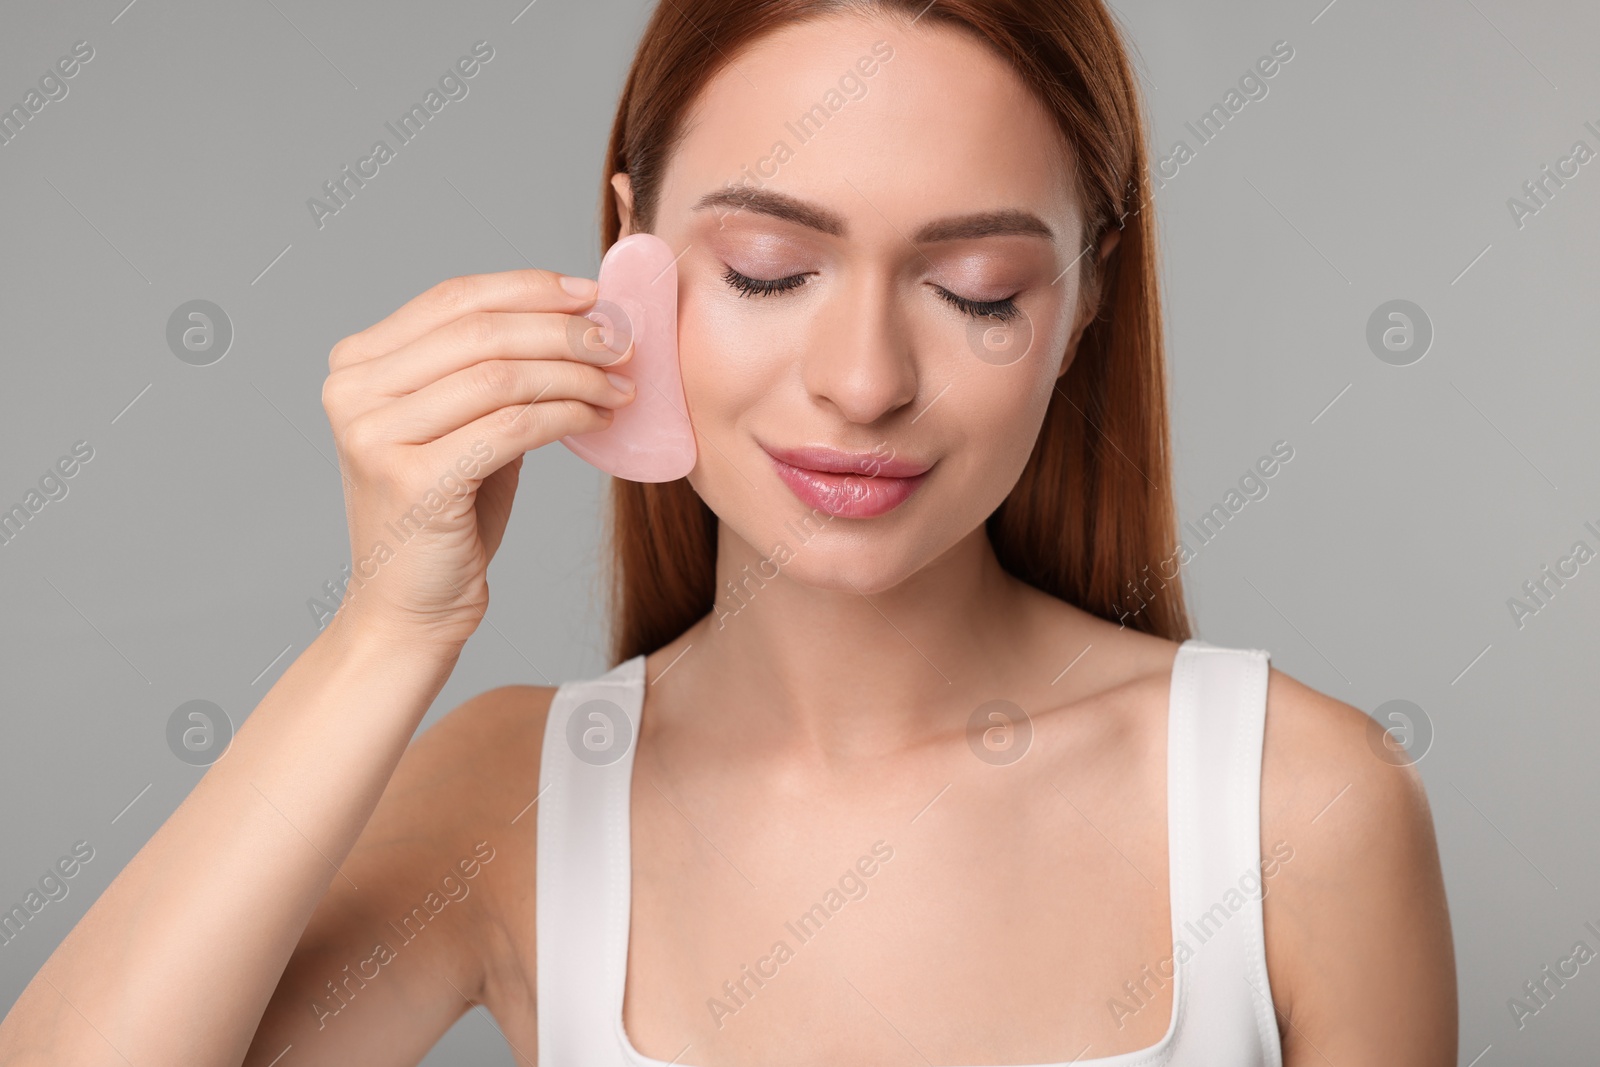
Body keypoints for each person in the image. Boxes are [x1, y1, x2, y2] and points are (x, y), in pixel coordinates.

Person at [0, 1, 1457, 1064]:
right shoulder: (516, 795)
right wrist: (387, 628)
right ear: (627, 254)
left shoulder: (1296, 804)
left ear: (1081, 306)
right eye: (769, 270)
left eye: (979, 292)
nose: (865, 381)